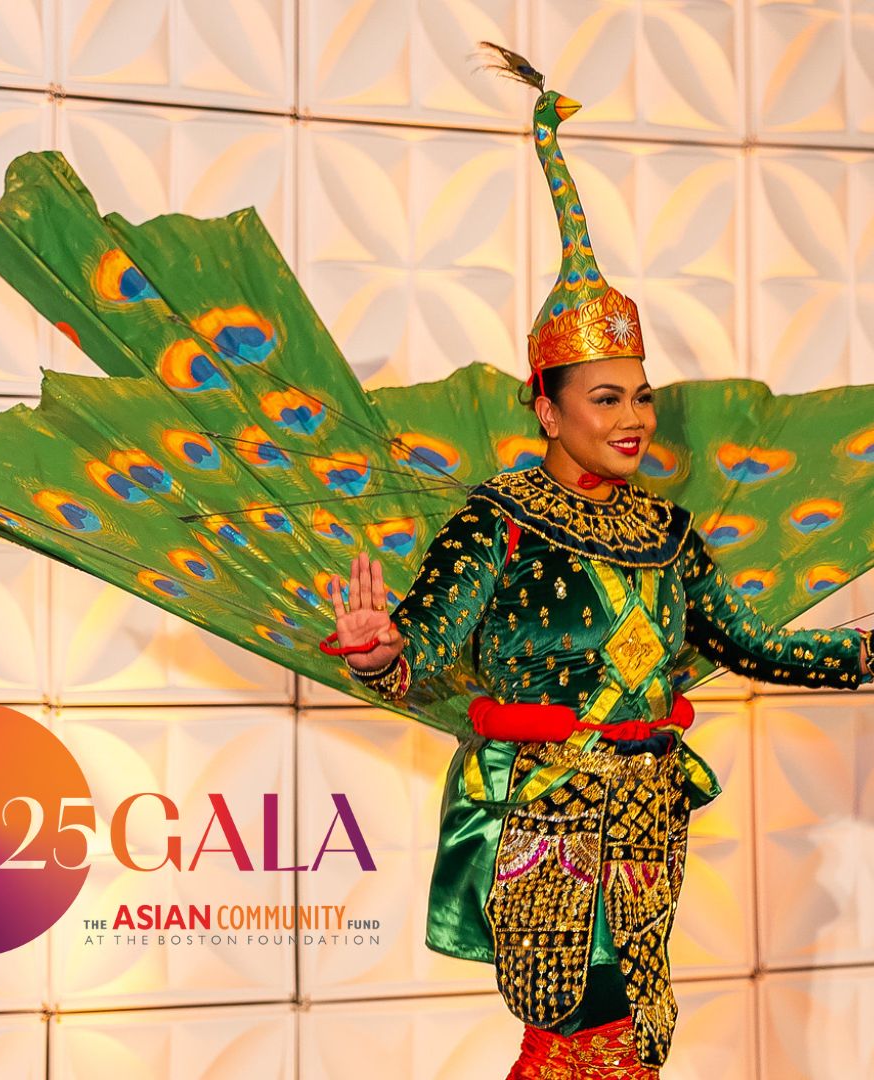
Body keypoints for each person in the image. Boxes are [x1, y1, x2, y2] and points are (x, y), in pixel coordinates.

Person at [327, 48, 874, 1080]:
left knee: (638, 1039)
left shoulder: (668, 534)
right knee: (574, 1031)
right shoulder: (496, 522)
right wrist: (380, 651)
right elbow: (433, 651)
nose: (632, 419)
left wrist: (861, 654)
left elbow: (744, 644)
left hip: (650, 812)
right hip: (545, 815)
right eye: (605, 398)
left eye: (640, 394)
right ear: (546, 407)